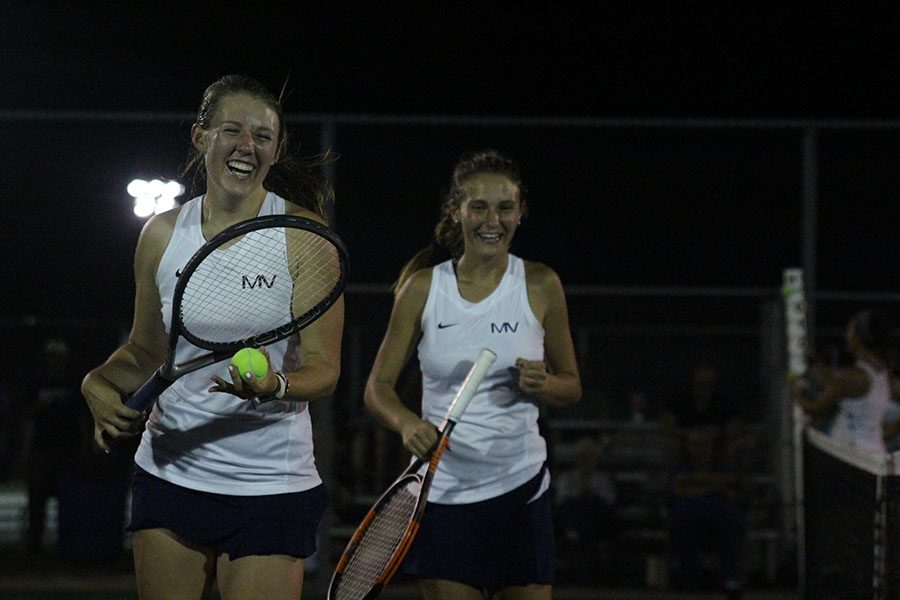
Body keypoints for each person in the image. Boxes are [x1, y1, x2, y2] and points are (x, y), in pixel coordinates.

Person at [80, 75, 343, 600]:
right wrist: (97, 383)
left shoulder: (304, 236)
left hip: (271, 484)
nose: (248, 145)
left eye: (263, 136)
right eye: (233, 130)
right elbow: (146, 351)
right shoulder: (160, 233)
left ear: (276, 149)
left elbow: (325, 369)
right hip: (169, 471)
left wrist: (276, 385)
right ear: (202, 138)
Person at [364, 149, 582, 600]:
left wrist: (546, 385)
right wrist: (406, 423)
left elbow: (571, 386)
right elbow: (377, 388)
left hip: (520, 490)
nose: (492, 220)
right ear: (456, 210)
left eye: (505, 207)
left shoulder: (541, 284)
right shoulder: (423, 289)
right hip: (442, 496)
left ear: (520, 212)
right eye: (478, 206)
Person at [660, 360, 746, 599]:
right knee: (681, 518)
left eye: (705, 441)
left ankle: (730, 578)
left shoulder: (722, 460)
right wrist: (712, 485)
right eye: (696, 442)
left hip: (717, 506)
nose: (701, 445)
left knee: (731, 518)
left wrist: (697, 483)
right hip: (692, 506)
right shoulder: (681, 462)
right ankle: (690, 578)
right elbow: (677, 487)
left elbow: (730, 483)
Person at [790, 309, 893, 454]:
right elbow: (836, 381)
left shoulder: (852, 377)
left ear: (858, 338)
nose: (846, 336)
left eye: (849, 331)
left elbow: (813, 408)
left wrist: (793, 389)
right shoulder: (882, 370)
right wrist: (814, 361)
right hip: (875, 451)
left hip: (855, 455)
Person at [22, 338, 81, 555]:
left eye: (58, 358)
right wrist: (26, 451)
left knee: (69, 501)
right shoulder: (37, 383)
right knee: (37, 502)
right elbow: (27, 417)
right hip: (42, 450)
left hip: (68, 450)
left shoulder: (74, 384)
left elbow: (82, 418)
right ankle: (34, 548)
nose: (54, 362)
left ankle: (68, 547)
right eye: (51, 357)